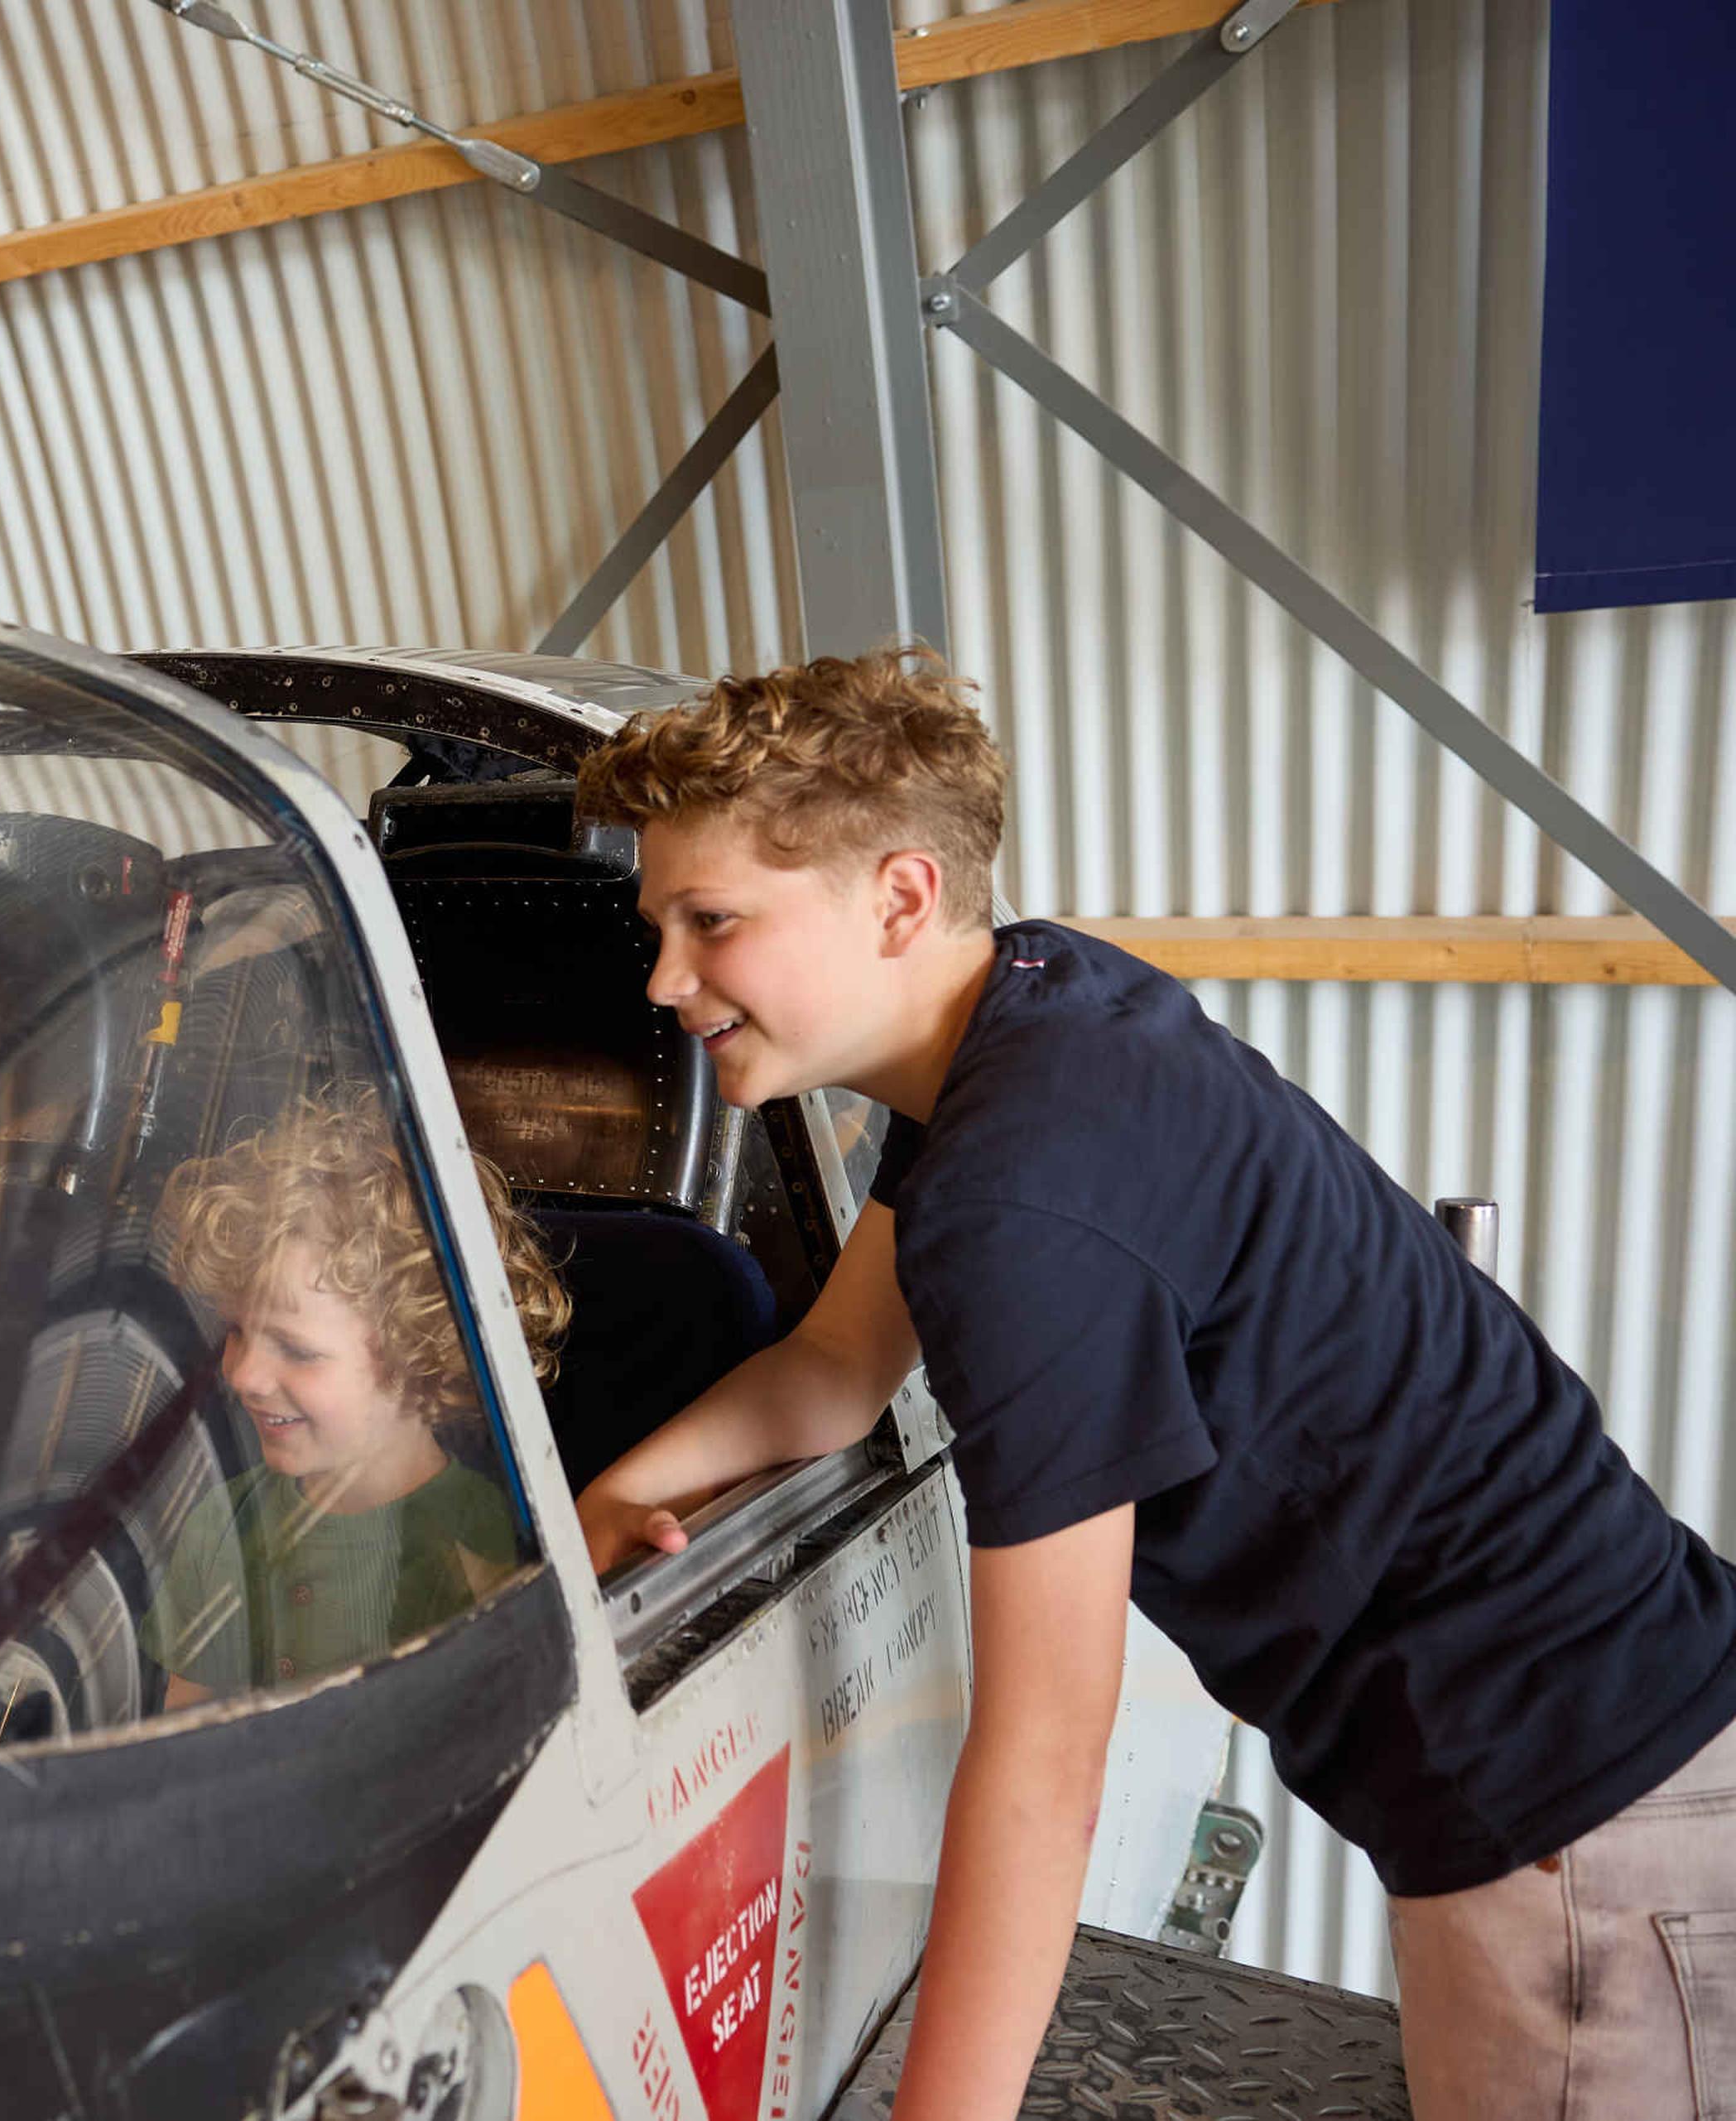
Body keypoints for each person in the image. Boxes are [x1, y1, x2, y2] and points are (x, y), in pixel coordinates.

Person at [566, 646, 1736, 2120]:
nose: (667, 979)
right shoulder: (1030, 1015)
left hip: (1583, 1826)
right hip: (1585, 1764)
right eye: (659, 925)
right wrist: (607, 1501)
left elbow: (1048, 1757)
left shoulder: (1020, 1198)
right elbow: (836, 1371)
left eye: (712, 922)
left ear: (903, 895)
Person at [145, 1092, 569, 1706]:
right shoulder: (223, 1524)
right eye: (235, 1331)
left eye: (297, 1350)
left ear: (422, 1356)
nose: (243, 1375)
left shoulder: (492, 1543)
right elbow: (185, 1735)